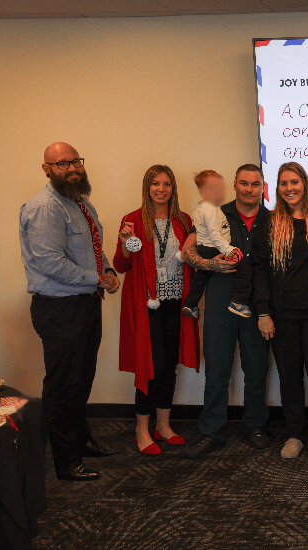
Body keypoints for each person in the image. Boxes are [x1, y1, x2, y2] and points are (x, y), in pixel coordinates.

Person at [19, 142, 120, 481]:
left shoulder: (79, 201)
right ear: (46, 169)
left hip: (84, 302)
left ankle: (80, 439)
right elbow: (51, 263)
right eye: (62, 163)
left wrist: (107, 271)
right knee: (64, 385)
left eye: (75, 160)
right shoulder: (45, 208)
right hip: (60, 309)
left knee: (80, 380)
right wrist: (98, 279)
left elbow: (91, 247)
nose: (72, 167)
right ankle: (65, 462)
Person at [181, 164, 272, 459]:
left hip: (258, 304)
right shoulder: (216, 212)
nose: (249, 189)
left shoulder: (273, 220)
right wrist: (210, 265)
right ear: (234, 185)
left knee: (256, 368)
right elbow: (188, 250)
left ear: (262, 187)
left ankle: (255, 426)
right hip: (221, 300)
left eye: (255, 184)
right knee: (218, 369)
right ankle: (211, 431)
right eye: (243, 183)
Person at [252, 162, 308, 459]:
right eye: (283, 183)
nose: (290, 188)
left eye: (295, 182)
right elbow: (260, 269)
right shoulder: (268, 222)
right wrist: (263, 312)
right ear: (277, 188)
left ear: (305, 183)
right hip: (281, 313)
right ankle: (296, 434)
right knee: (289, 375)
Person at [114, 165, 199, 455]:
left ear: (173, 188)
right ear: (147, 187)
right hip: (146, 304)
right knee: (150, 366)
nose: (161, 189)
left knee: (169, 365)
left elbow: (192, 260)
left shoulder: (184, 221)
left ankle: (163, 426)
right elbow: (121, 265)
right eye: (155, 184)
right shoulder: (133, 220)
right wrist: (126, 246)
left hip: (176, 302)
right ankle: (141, 430)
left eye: (166, 184)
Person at [182, 171, 249, 319]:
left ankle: (190, 304)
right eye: (213, 189)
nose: (220, 192)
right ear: (202, 192)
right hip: (214, 249)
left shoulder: (203, 208)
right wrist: (228, 249)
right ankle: (238, 302)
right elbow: (214, 235)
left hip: (206, 248)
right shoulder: (210, 210)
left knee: (201, 278)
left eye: (220, 187)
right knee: (243, 264)